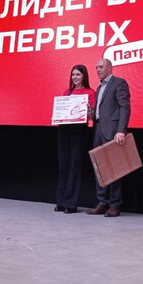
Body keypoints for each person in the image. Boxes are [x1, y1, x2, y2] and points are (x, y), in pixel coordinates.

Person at [86, 59, 131, 217]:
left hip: (113, 131)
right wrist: (89, 112)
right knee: (99, 167)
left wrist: (121, 130)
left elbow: (124, 107)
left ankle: (115, 204)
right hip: (98, 129)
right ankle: (102, 202)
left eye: (100, 67)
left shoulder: (119, 83)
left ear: (110, 68)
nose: (98, 70)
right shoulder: (99, 88)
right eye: (96, 67)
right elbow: (99, 114)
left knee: (114, 168)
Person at [54, 65, 96, 214]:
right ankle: (60, 202)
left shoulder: (90, 92)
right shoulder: (67, 92)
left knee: (75, 167)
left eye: (78, 74)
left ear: (84, 76)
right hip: (64, 131)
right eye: (73, 75)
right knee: (63, 167)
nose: (75, 77)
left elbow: (92, 117)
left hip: (79, 131)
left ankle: (71, 204)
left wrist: (89, 109)